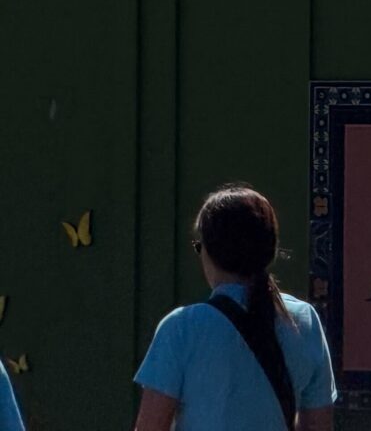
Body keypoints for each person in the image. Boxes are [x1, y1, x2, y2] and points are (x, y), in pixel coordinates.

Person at [134, 184, 337, 431]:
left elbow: (150, 426)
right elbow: (319, 425)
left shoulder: (181, 328)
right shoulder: (305, 320)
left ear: (210, 251)